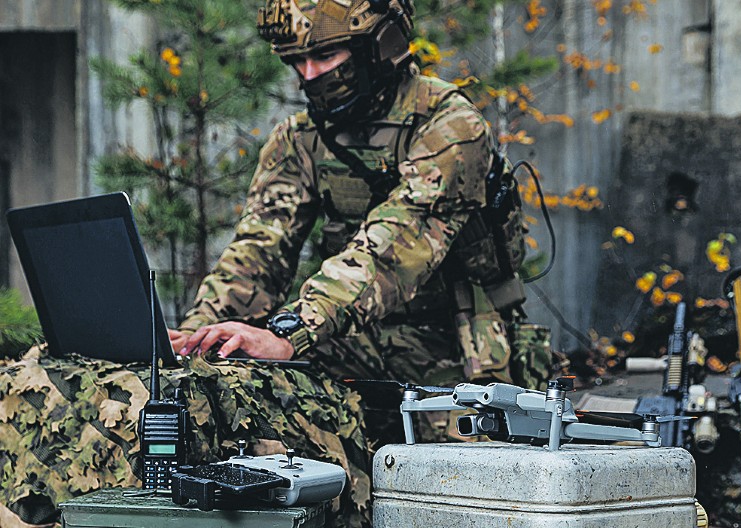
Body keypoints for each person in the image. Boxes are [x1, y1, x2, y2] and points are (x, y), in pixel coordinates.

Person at [170, 0, 549, 441]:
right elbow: (257, 253)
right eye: (297, 61)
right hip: (351, 338)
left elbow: (395, 247)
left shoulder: (450, 126)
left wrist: (292, 331)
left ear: (378, 46)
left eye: (325, 56)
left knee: (466, 474)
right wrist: (196, 339)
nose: (309, 75)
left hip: (457, 341)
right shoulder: (300, 139)